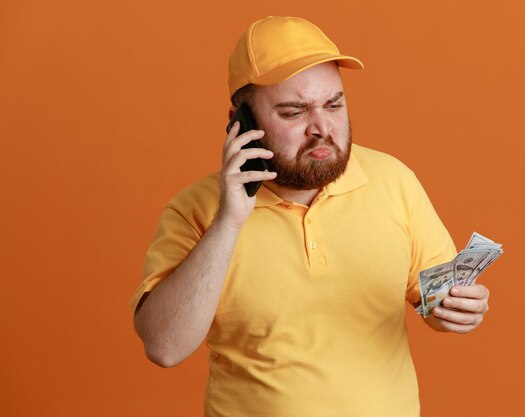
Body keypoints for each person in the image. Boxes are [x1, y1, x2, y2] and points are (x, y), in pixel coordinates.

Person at [131, 16, 490, 417]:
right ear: (240, 121)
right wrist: (228, 222)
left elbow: (436, 301)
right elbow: (163, 347)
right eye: (293, 112)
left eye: (334, 104)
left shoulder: (394, 181)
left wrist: (459, 309)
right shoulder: (195, 210)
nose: (322, 127)